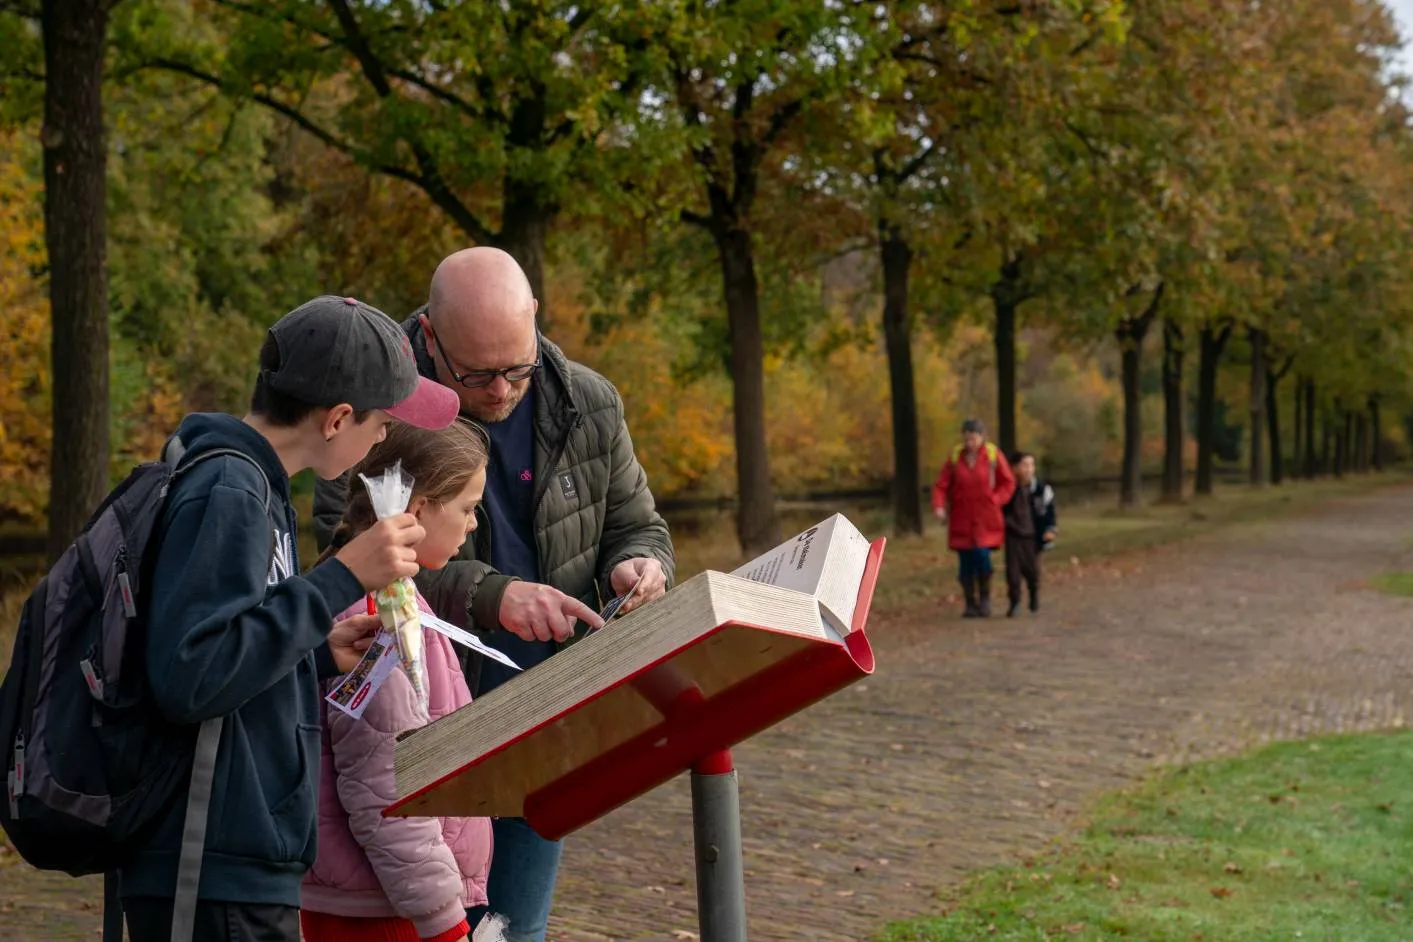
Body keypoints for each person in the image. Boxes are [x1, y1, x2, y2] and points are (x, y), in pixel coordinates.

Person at [313, 248, 676, 942]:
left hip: (545, 720)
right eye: (476, 374)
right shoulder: (369, 409)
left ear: (534, 319)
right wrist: (492, 595)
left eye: (518, 368)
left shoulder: (589, 401)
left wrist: (640, 565)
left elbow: (639, 526)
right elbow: (348, 552)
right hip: (427, 723)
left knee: (516, 927)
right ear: (430, 337)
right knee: (428, 917)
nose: (503, 389)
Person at [121, 296, 462, 942]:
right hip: (209, 864)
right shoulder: (229, 490)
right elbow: (190, 675)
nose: (383, 437)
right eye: (381, 422)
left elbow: (230, 652)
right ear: (338, 419)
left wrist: (315, 650)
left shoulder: (259, 488)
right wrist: (339, 579)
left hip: (241, 859)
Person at [302, 419, 495, 942]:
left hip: (385, 892)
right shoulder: (379, 614)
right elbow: (386, 787)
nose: (473, 524)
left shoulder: (396, 597)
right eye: (467, 508)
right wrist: (444, 921)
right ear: (420, 508)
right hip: (385, 908)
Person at [931, 418, 1016, 618]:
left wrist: (996, 499)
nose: (970, 443)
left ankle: (985, 598)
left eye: (974, 439)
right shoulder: (955, 457)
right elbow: (941, 485)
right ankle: (970, 602)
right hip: (962, 517)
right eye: (967, 439)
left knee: (982, 555)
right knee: (965, 560)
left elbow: (1008, 483)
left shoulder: (993, 455)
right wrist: (939, 506)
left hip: (986, 517)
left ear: (982, 437)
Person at [1002, 452, 1057, 616]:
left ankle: (1033, 593)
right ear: (1014, 468)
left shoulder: (1041, 489)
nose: (1028, 469)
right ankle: (1014, 602)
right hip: (1012, 534)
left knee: (1032, 570)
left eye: (1031, 465)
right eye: (1024, 465)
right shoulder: (1008, 488)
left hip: (1033, 535)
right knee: (1013, 571)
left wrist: (1050, 529)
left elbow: (1050, 512)